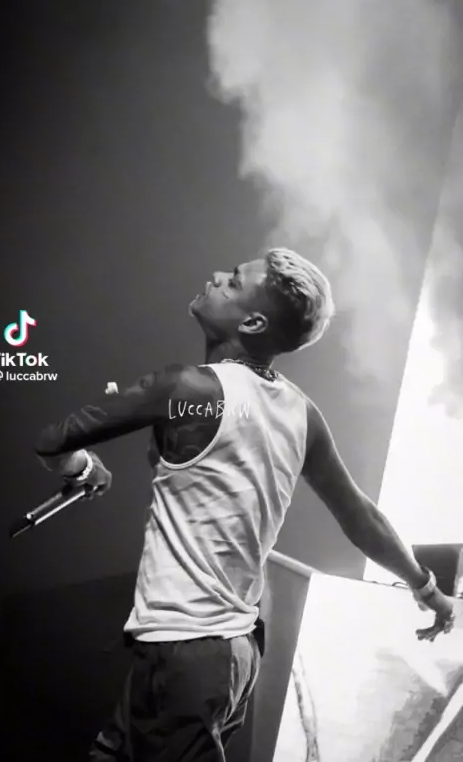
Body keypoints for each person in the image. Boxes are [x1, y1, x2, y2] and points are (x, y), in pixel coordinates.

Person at [34, 248, 455, 762]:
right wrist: (426, 588)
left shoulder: (186, 387)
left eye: (233, 282)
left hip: (187, 654)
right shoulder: (302, 414)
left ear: (253, 322)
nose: (215, 276)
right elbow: (360, 516)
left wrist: (82, 468)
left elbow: (52, 440)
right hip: (225, 653)